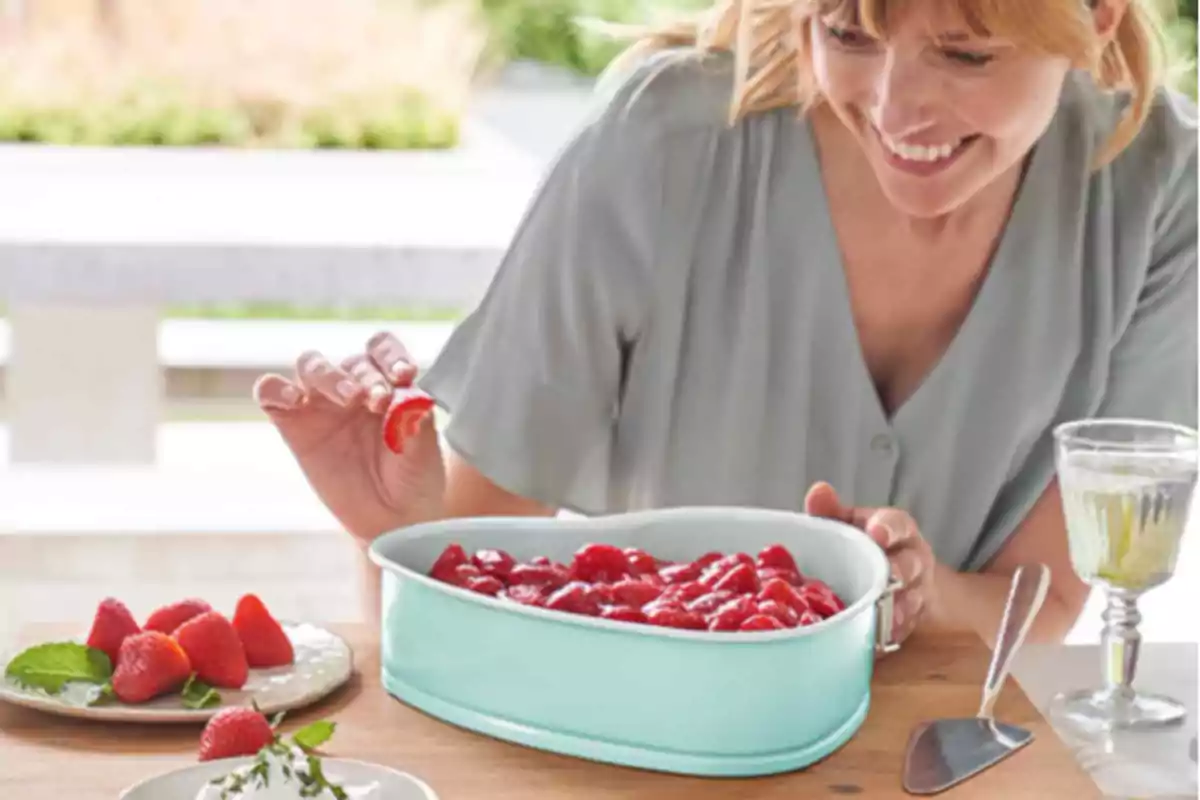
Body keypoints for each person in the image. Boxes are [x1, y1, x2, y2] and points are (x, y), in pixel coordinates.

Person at [253, 0, 1197, 647]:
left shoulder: (1164, 188)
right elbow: (466, 579)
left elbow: (1046, 605)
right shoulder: (662, 143)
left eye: (965, 52)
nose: (896, 105)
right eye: (848, 32)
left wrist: (918, 592)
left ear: (1099, 14)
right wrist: (392, 531)